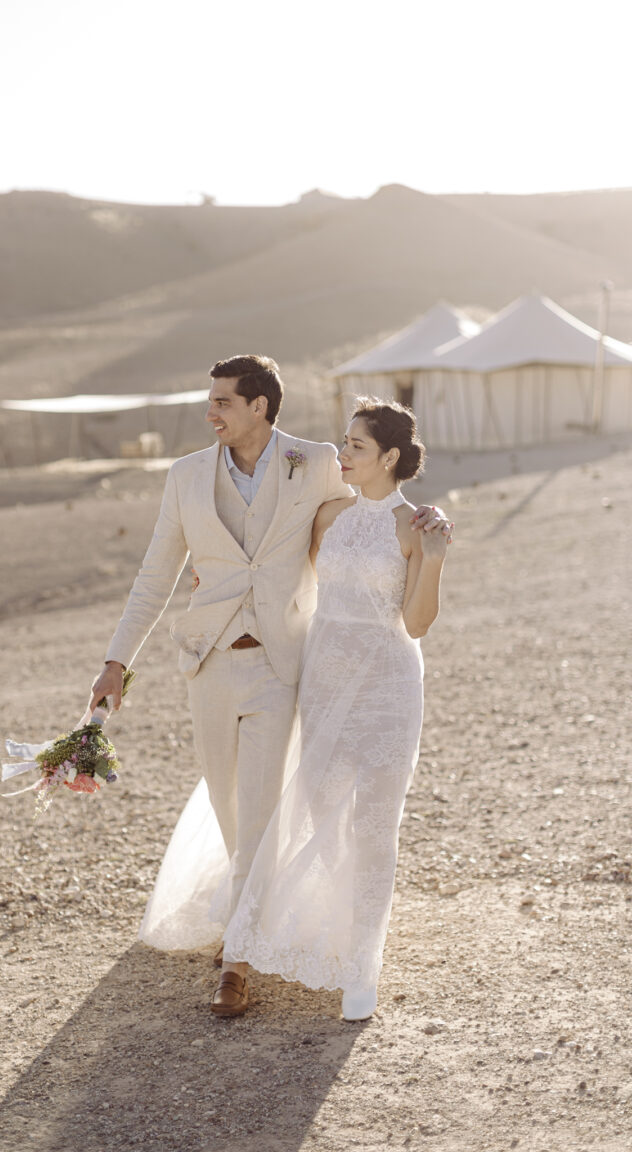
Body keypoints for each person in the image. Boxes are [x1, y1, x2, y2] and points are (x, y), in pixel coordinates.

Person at [89, 358, 449, 1018]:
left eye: (223, 401)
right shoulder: (196, 480)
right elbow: (155, 577)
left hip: (303, 668)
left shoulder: (314, 465)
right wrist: (117, 663)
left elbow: (395, 557)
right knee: (244, 809)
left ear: (259, 407)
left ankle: (250, 961)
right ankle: (259, 919)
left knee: (301, 814)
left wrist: (428, 539)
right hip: (228, 663)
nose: (211, 413)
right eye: (211, 401)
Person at [221, 398, 449, 1020]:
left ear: (391, 458)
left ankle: (361, 965)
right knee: (321, 807)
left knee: (375, 826)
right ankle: (331, 927)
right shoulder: (327, 515)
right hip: (324, 675)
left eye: (355, 446)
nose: (341, 454)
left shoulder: (416, 528)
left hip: (388, 683)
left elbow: (418, 623)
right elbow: (276, 571)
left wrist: (434, 560)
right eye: (344, 442)